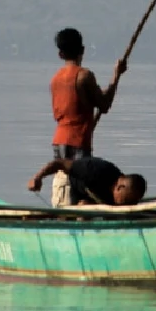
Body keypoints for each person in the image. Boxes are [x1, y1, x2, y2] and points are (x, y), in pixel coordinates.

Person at [45, 26, 126, 207]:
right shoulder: (84, 76)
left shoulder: (55, 79)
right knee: (79, 185)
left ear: (60, 54)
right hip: (78, 141)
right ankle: (79, 216)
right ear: (82, 50)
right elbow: (104, 105)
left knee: (66, 182)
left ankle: (68, 213)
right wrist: (116, 76)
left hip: (59, 140)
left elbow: (65, 110)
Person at [28, 152, 147, 207]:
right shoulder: (93, 171)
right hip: (68, 180)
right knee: (72, 214)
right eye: (125, 200)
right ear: (120, 187)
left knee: (87, 207)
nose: (125, 204)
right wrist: (38, 177)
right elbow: (60, 163)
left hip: (87, 193)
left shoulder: (120, 195)